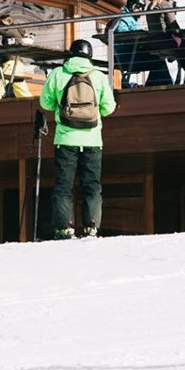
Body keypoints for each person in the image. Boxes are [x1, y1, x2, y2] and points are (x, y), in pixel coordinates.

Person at [38, 38, 117, 238]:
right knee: (91, 184)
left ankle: (65, 228)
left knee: (64, 186)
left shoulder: (57, 74)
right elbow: (109, 108)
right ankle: (91, 226)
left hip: (65, 139)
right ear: (89, 56)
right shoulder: (98, 76)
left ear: (70, 54)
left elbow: (46, 104)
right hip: (92, 140)